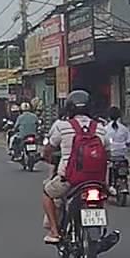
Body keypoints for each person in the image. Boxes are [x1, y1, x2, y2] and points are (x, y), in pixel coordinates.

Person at [40, 89, 107, 244]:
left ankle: (54, 232)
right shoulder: (100, 127)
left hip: (70, 179)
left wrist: (46, 156)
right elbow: (107, 152)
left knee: (47, 194)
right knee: (102, 198)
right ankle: (100, 231)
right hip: (97, 180)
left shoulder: (62, 126)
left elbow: (49, 148)